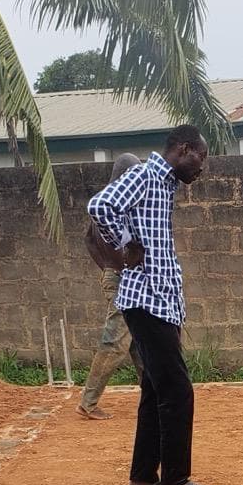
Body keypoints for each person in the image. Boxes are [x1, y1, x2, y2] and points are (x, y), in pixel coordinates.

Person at [86, 125, 214, 485]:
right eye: (200, 158)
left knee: (155, 389)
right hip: (145, 301)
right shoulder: (145, 175)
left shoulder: (165, 185)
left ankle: (143, 476)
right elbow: (100, 206)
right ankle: (175, 482)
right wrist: (126, 245)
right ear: (184, 149)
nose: (202, 167)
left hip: (159, 302)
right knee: (177, 389)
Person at [77, 152, 144, 420]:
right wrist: (119, 268)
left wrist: (105, 268)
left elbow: (88, 240)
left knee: (138, 341)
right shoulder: (117, 205)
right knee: (114, 341)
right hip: (123, 279)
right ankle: (88, 402)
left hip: (114, 275)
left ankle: (155, 393)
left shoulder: (104, 203)